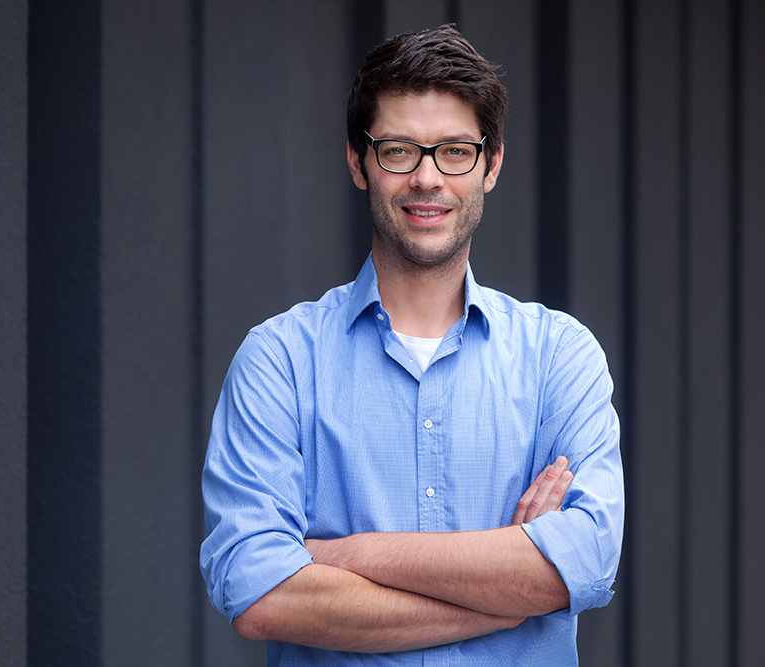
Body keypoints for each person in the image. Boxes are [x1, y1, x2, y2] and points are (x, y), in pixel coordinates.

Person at [200, 24, 624, 665]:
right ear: (357, 160)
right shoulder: (280, 361)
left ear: (493, 163)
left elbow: (586, 562)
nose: (428, 179)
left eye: (455, 151)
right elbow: (260, 595)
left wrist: (351, 555)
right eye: (398, 150)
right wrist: (512, 581)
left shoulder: (559, 357)